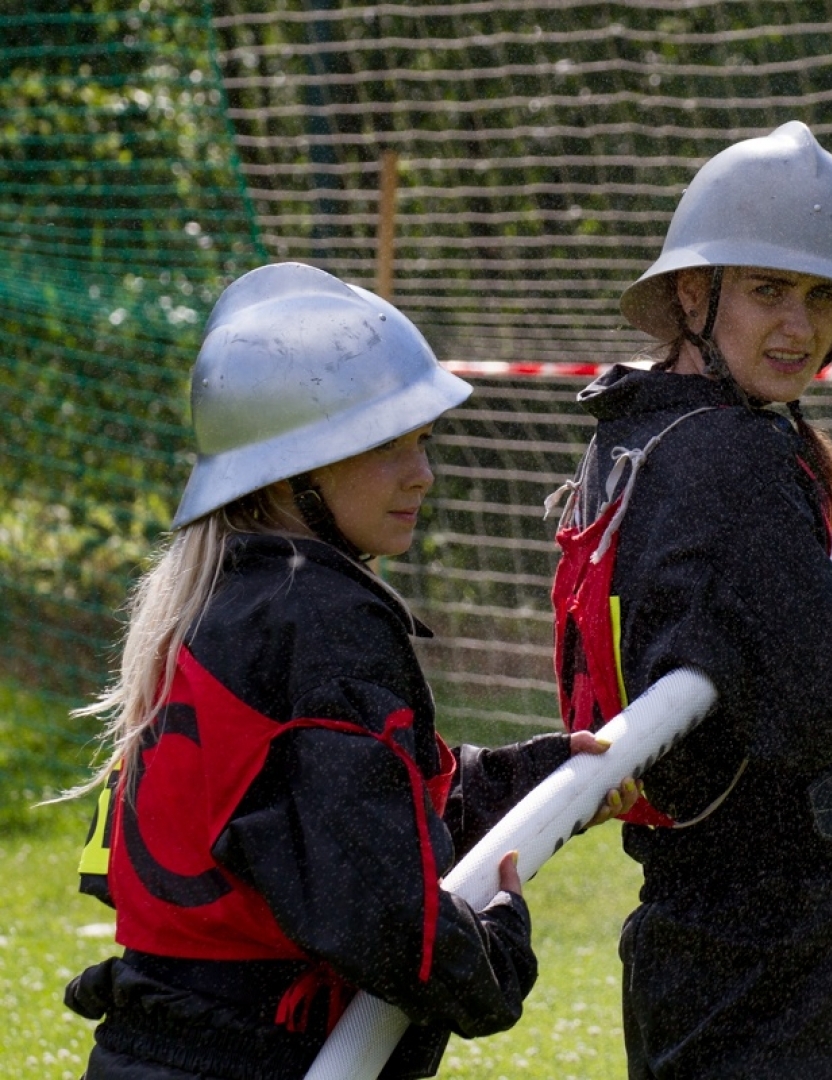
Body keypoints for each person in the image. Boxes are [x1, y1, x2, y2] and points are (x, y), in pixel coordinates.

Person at [63, 261, 636, 1080]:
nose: (422, 474)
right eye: (382, 446)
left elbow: (337, 806)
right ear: (293, 469)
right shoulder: (321, 621)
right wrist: (498, 944)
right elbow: (383, 915)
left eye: (422, 440)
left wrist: (543, 781)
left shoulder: (226, 602)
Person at [550, 121, 832, 1079]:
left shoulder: (641, 433)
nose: (798, 328)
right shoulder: (730, 458)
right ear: (695, 294)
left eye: (823, 298)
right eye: (769, 291)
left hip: (698, 936)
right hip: (776, 957)